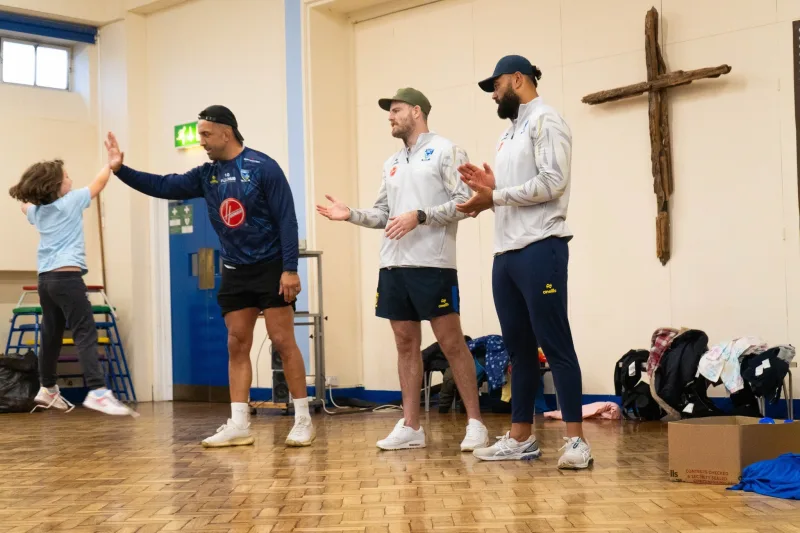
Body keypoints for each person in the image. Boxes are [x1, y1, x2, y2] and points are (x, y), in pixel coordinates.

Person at [103, 105, 314, 448]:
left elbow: (287, 221)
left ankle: (303, 418)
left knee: (282, 340)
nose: (201, 141)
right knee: (236, 343)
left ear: (226, 132)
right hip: (234, 270)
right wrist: (120, 170)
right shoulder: (207, 175)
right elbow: (164, 185)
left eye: (205, 134)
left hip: (271, 267)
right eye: (199, 134)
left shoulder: (263, 168)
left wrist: (290, 269)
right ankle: (239, 423)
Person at [316, 88, 489, 451]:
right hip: (393, 264)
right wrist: (351, 215)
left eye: (395, 110)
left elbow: (467, 202)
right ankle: (411, 426)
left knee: (451, 342)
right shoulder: (391, 162)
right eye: (388, 112)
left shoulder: (446, 150)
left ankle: (476, 423)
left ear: (416, 111)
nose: (390, 117)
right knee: (405, 344)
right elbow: (384, 214)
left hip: (433, 264)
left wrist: (421, 215)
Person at [456, 55, 592, 469]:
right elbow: (516, 193)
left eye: (495, 85)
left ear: (519, 79)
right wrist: (488, 193)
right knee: (518, 350)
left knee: (555, 343)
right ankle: (521, 437)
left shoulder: (546, 120)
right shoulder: (506, 136)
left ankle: (575, 442)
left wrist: (495, 195)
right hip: (507, 253)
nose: (493, 94)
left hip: (541, 248)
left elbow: (553, 183)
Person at [9, 160, 137, 416]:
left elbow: (25, 207)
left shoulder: (38, 212)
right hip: (67, 278)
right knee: (85, 332)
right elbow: (99, 183)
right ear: (57, 185)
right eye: (67, 176)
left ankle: (47, 388)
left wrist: (28, 194)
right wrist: (111, 164)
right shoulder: (72, 201)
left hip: (45, 281)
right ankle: (98, 390)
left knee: (51, 334)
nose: (71, 179)